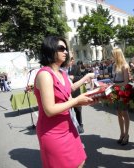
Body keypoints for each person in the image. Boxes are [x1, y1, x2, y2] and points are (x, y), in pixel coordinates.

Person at [34, 36, 95, 168]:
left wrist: (86, 100)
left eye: (66, 48)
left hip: (68, 127)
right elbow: (49, 110)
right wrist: (76, 101)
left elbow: (70, 92)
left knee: (80, 161)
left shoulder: (62, 73)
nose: (66, 51)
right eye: (61, 48)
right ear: (50, 50)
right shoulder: (44, 74)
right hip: (52, 132)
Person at [112, 48, 130, 145]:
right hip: (115, 90)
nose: (112, 57)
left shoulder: (125, 65)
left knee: (124, 113)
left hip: (123, 90)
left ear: (117, 55)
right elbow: (114, 78)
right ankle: (122, 133)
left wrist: (115, 85)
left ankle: (126, 134)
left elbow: (126, 82)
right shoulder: (115, 65)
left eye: (113, 55)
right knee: (118, 113)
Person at [68, 58, 85, 134]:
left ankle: (80, 125)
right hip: (67, 94)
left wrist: (74, 77)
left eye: (71, 60)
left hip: (76, 93)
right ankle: (71, 126)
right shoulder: (63, 68)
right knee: (69, 111)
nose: (71, 61)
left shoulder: (77, 67)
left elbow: (81, 77)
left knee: (78, 110)